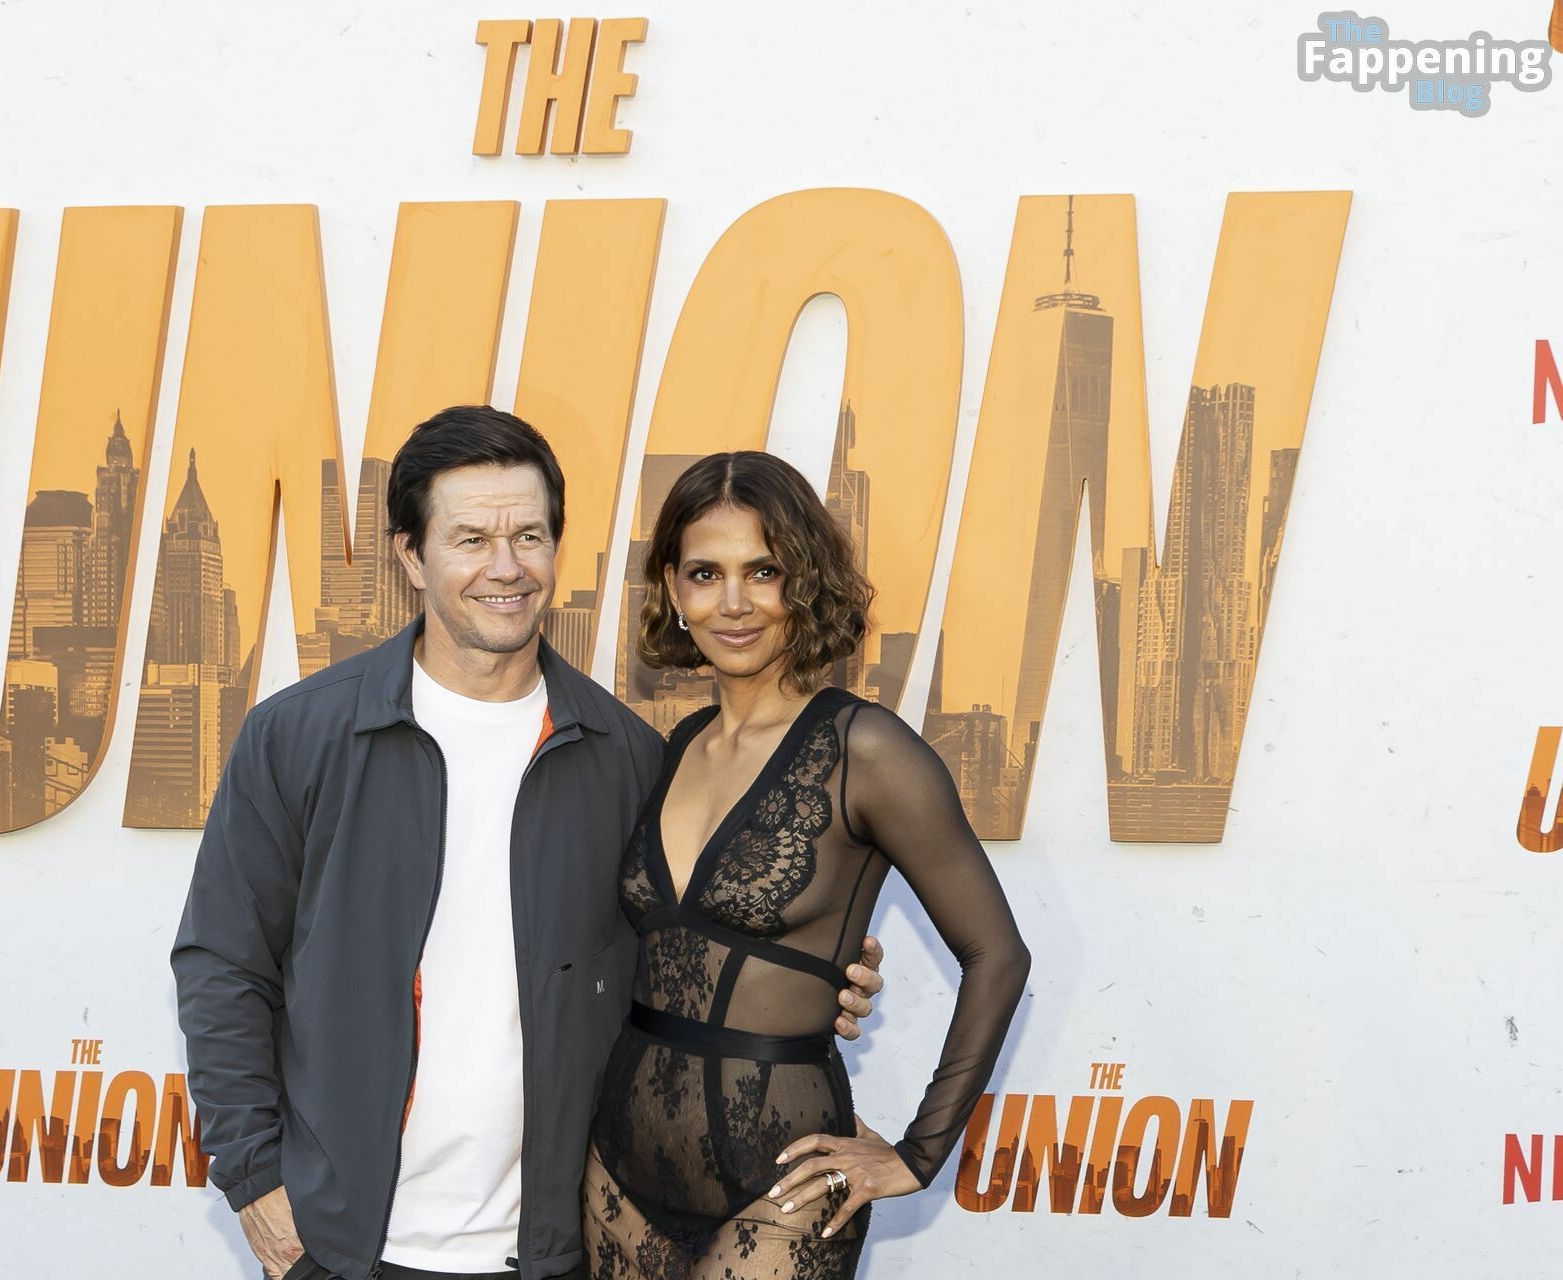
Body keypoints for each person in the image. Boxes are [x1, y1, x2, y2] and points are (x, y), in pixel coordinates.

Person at [171, 407, 888, 1280]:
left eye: (529, 536)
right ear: (411, 556)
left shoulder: (631, 758)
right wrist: (255, 1180)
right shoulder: (300, 737)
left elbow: (683, 954)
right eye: (471, 538)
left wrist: (806, 973)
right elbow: (224, 964)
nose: (505, 567)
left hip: (562, 1245)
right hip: (338, 1244)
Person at [583, 451, 1033, 1280]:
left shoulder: (868, 750)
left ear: (806, 583)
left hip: (779, 1185)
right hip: (618, 1169)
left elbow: (997, 954)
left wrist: (919, 1154)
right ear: (674, 591)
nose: (733, 603)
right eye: (705, 574)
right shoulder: (677, 747)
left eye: (764, 571)